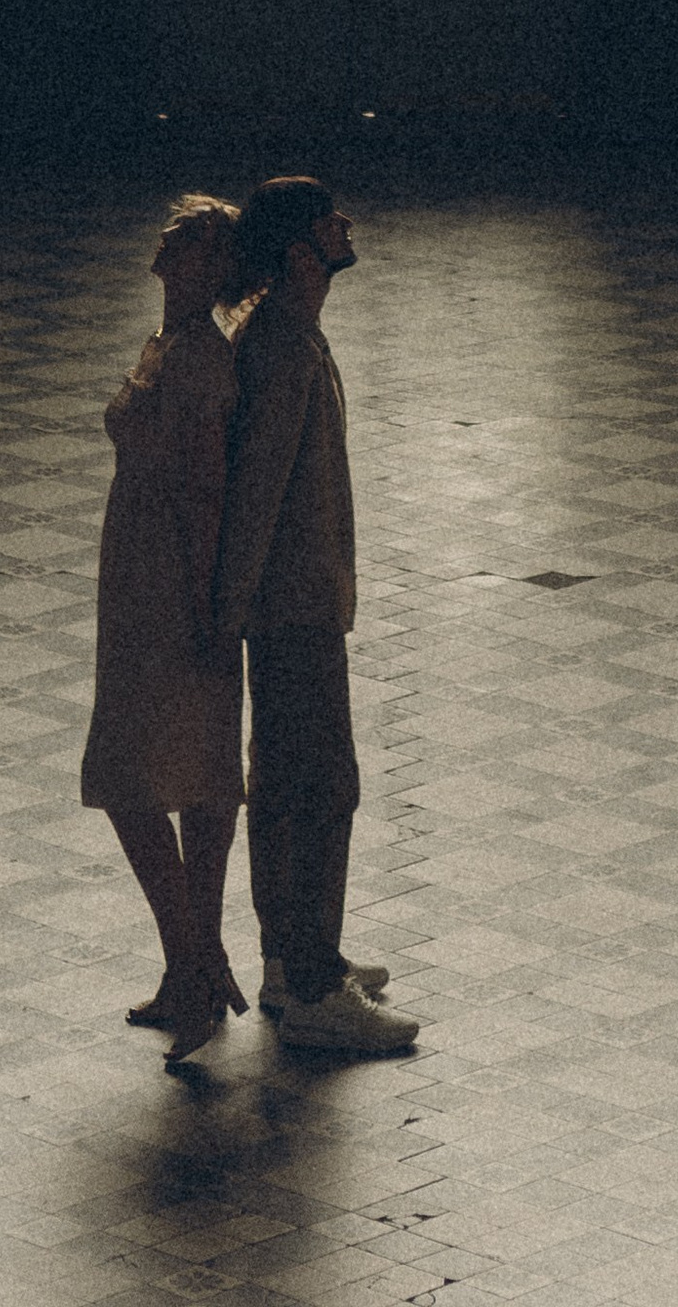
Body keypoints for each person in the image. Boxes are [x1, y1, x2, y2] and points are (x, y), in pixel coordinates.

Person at [214, 177, 418, 1055]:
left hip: (294, 598)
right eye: (330, 217)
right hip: (292, 604)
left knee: (287, 781)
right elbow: (258, 488)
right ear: (301, 251)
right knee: (321, 786)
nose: (347, 222)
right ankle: (311, 986)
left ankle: (291, 960)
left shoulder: (289, 333)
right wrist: (234, 604)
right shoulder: (285, 348)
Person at [79, 192, 251, 1052]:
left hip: (172, 590)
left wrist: (211, 606)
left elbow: (208, 494)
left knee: (152, 776)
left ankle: (193, 963)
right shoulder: (170, 344)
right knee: (177, 774)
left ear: (213, 268)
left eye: (190, 238)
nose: (168, 239)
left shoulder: (199, 362)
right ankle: (192, 965)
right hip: (143, 579)